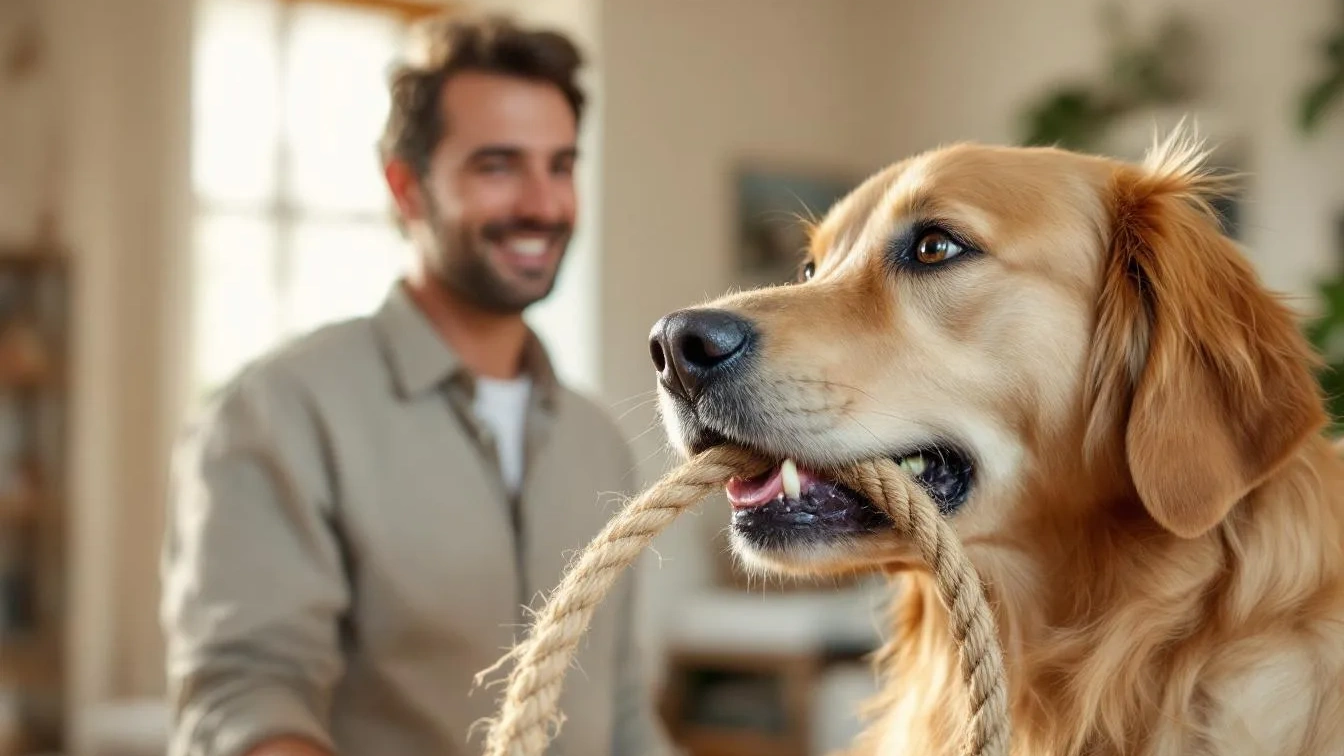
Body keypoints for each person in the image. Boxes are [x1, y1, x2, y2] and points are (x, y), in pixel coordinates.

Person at [160, 11, 673, 756]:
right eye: (497, 166)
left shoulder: (598, 442)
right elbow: (246, 701)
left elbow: (623, 719)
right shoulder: (278, 413)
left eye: (560, 166)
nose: (543, 204)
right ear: (406, 189)